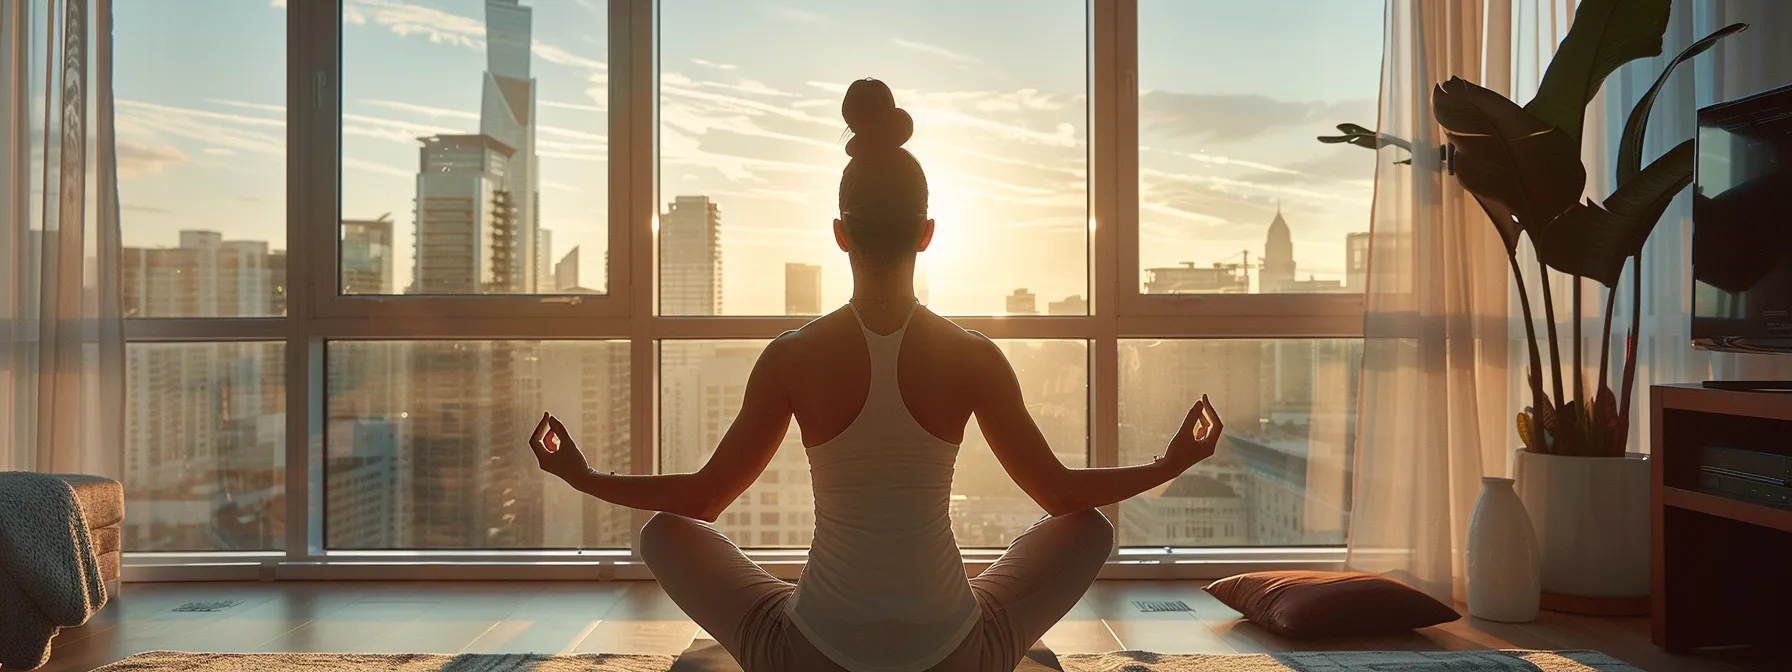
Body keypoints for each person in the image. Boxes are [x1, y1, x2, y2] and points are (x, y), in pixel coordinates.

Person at [527, 78, 1223, 672]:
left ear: (839, 232)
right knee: (1091, 529)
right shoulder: (973, 353)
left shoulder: (793, 355)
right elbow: (1061, 494)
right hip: (955, 653)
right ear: (927, 231)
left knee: (661, 533)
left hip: (811, 653)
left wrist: (582, 476)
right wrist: (1173, 460)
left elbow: (704, 500)